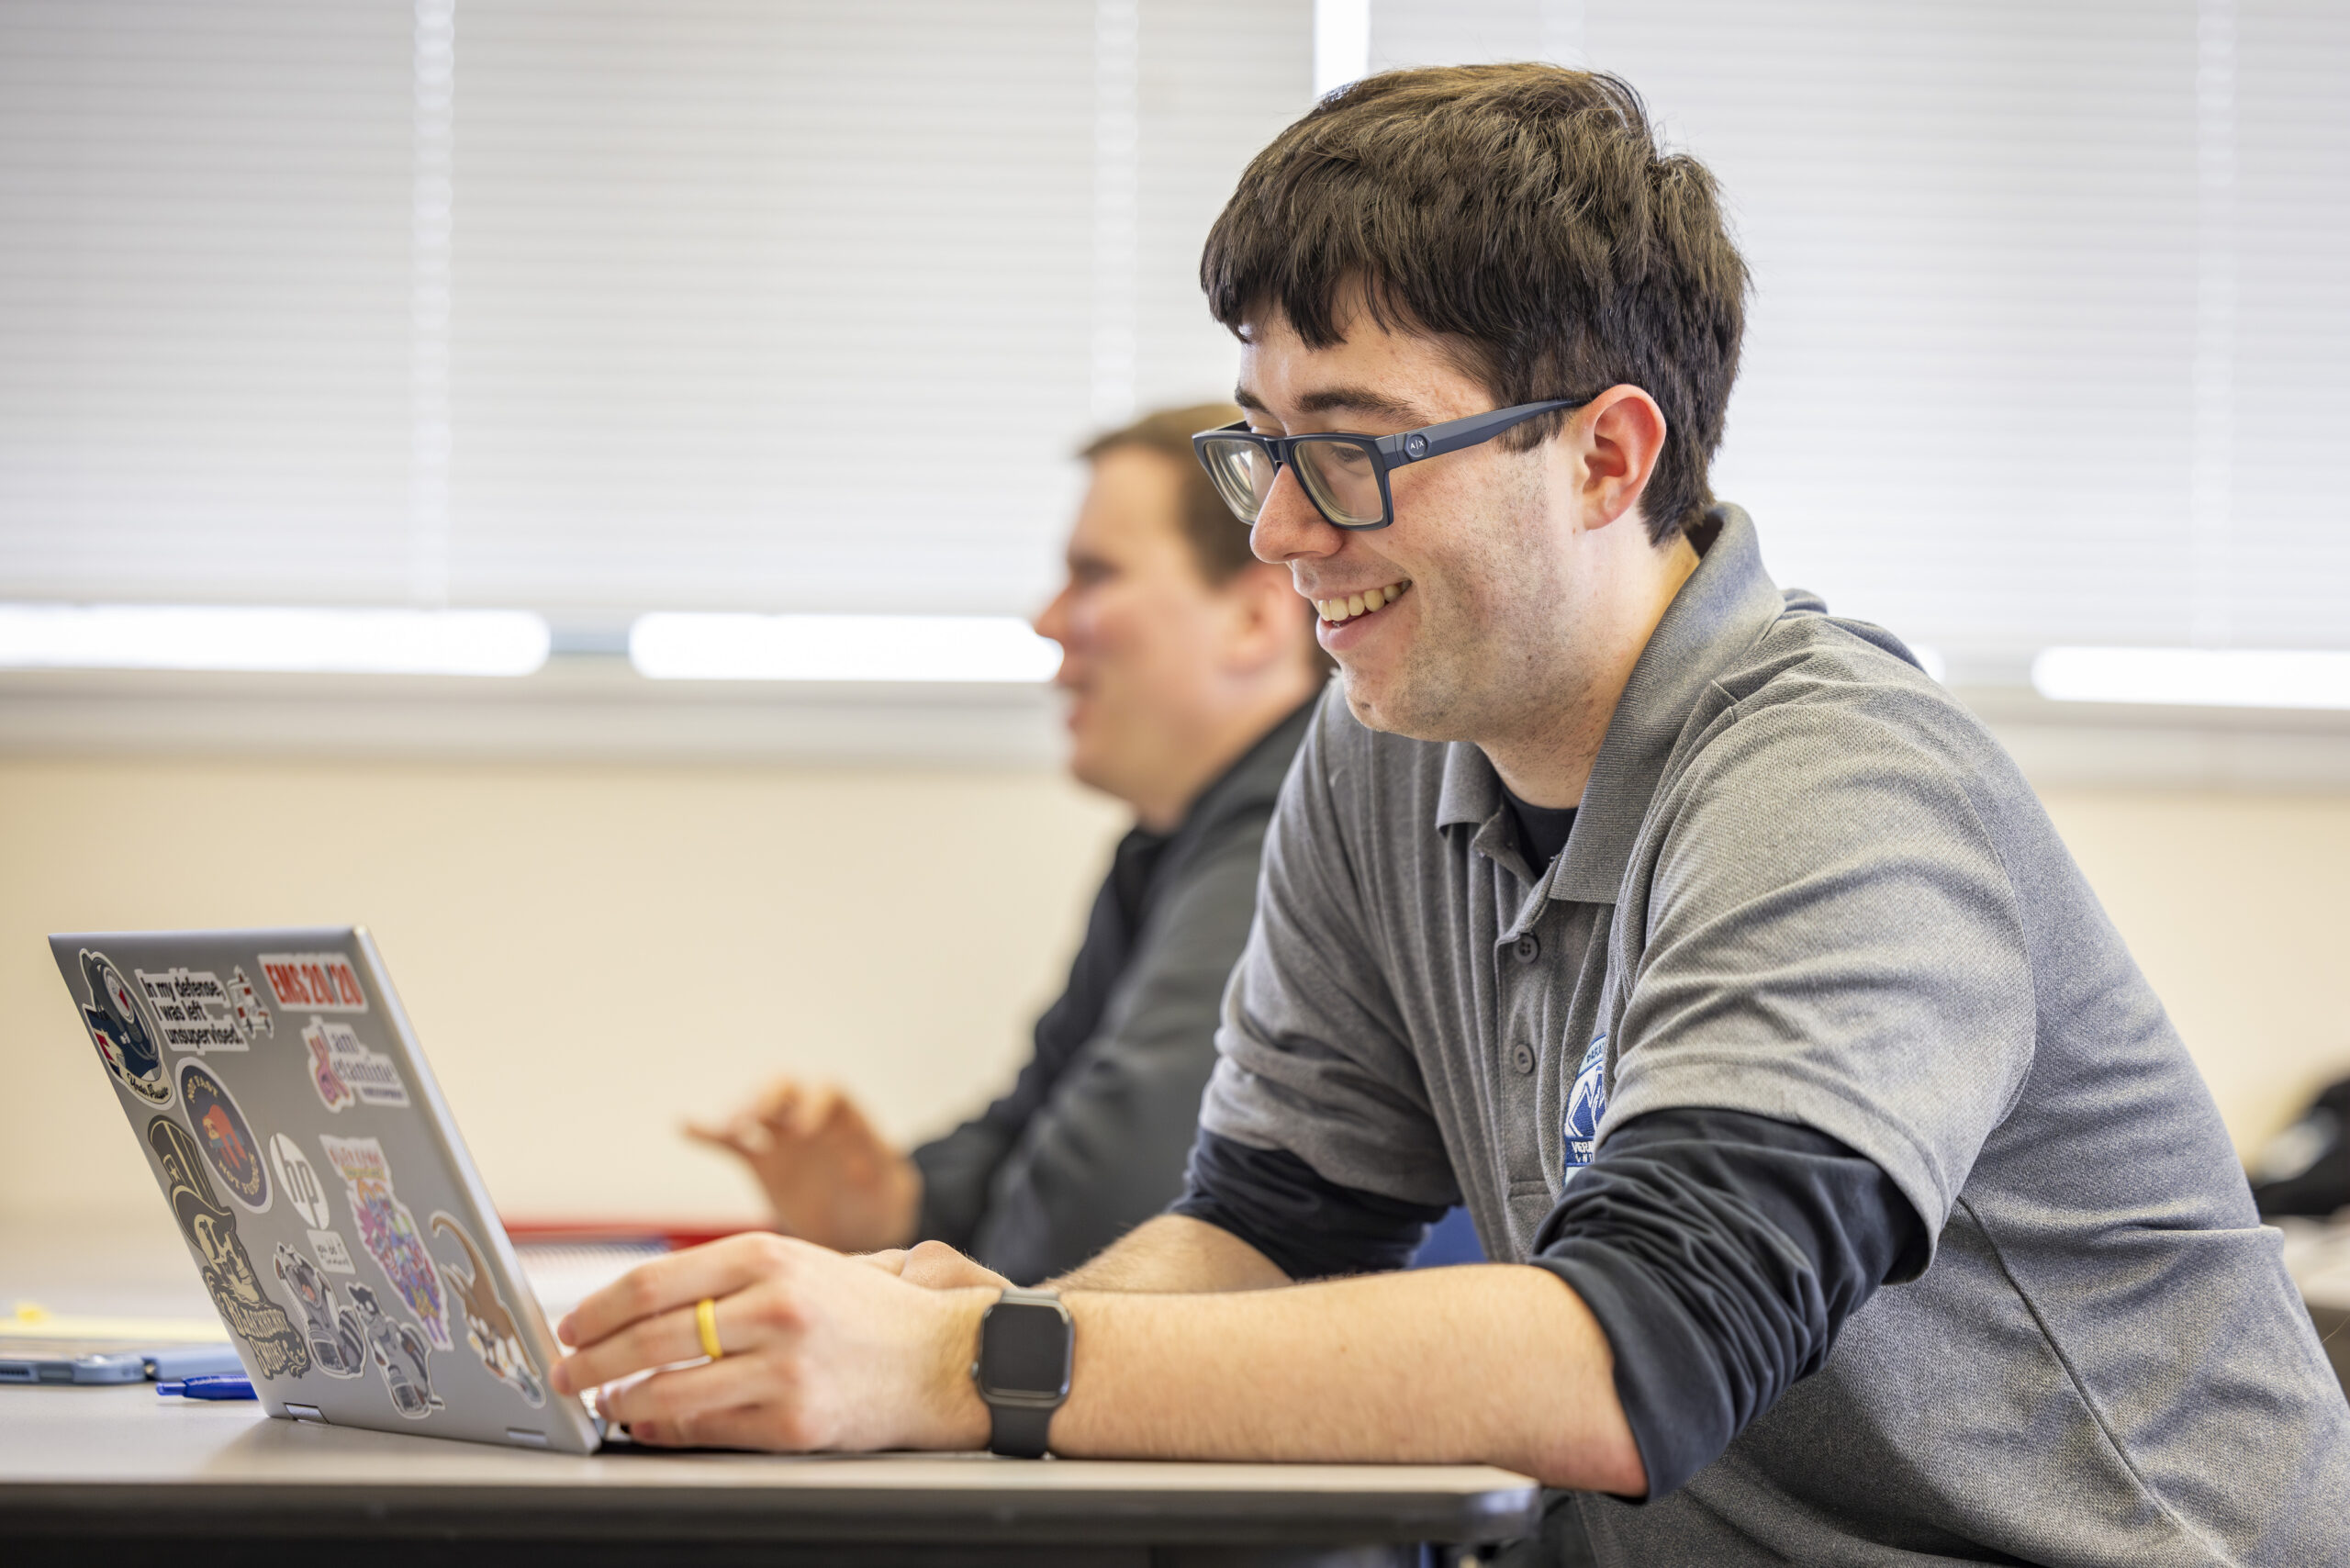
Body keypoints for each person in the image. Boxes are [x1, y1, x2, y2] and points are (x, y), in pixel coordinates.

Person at [554, 65, 2350, 1564]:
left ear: (1603, 455)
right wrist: (930, 1358)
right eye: (1259, 441)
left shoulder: (1837, 785)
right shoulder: (1384, 744)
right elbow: (1269, 1228)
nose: (1274, 533)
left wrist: (982, 1358)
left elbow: (1623, 1354)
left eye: (1347, 445)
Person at [685, 405, 1326, 1285]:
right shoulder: (1165, 847)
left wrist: (905, 1304)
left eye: (1094, 576)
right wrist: (899, 1209)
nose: (1047, 619)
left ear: (1254, 621)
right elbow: (1038, 1121)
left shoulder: (1303, 834)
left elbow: (1119, 1197)